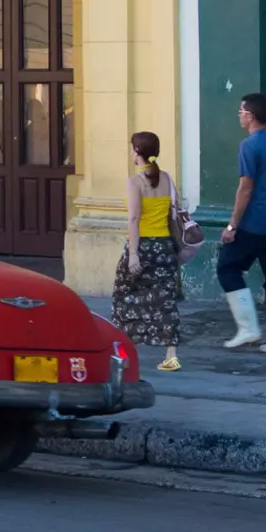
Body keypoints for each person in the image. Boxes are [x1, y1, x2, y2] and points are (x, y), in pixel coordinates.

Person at [218, 92, 266, 354]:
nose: (238, 115)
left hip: (253, 222)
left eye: (240, 111)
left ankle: (248, 329)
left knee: (227, 267)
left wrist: (231, 226)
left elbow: (245, 188)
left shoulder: (249, 146)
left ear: (250, 115)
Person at [113, 131, 184, 372]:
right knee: (165, 300)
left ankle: (123, 351)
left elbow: (134, 218)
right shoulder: (166, 178)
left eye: (132, 148)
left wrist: (133, 254)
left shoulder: (134, 182)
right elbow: (174, 212)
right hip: (164, 246)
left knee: (123, 295)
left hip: (142, 245)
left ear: (137, 152)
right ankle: (171, 355)